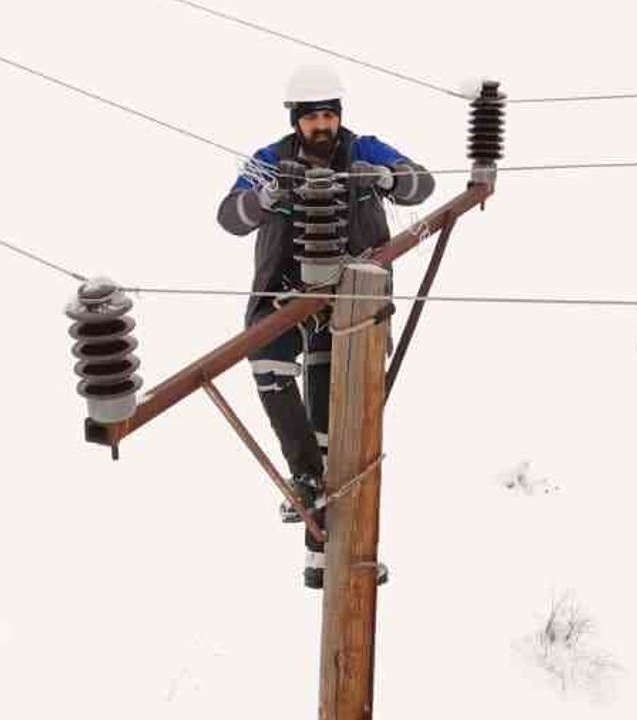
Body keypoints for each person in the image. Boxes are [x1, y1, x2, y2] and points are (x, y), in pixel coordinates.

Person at [215, 65, 435, 588]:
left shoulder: (365, 150)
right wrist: (263, 200)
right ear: (296, 121)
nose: (322, 125)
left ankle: (322, 557)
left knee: (333, 419)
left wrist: (390, 179)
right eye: (312, 117)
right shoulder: (270, 162)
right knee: (267, 359)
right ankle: (305, 475)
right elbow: (229, 215)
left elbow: (421, 182)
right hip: (287, 293)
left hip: (352, 298)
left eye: (328, 115)